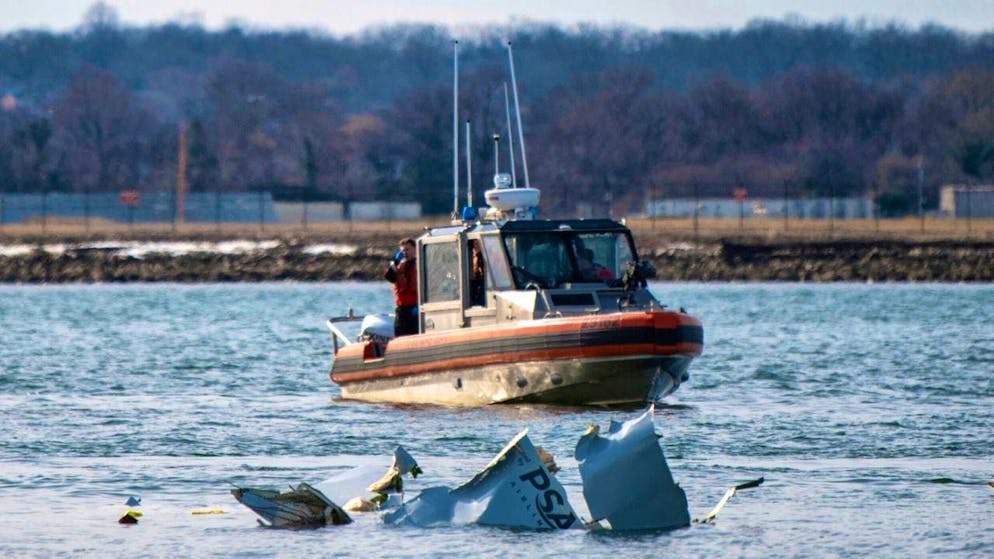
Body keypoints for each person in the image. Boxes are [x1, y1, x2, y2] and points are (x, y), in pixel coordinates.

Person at [384, 237, 418, 336]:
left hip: (416, 308)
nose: (405, 253)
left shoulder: (420, 264)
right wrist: (395, 262)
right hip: (402, 309)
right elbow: (389, 277)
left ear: (415, 250)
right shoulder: (398, 266)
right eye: (403, 251)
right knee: (400, 334)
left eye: (407, 249)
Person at [469, 240, 486, 306]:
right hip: (474, 284)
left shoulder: (483, 257)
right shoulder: (470, 257)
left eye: (479, 244)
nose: (478, 246)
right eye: (476, 244)